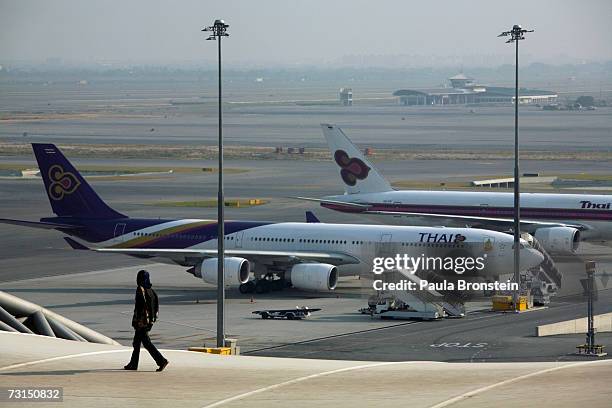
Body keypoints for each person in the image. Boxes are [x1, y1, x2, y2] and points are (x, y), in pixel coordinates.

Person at [124, 270, 169, 372]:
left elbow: (139, 307)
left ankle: (161, 361)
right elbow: (155, 307)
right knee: (137, 343)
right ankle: (133, 363)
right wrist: (151, 321)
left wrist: (137, 322)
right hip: (149, 322)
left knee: (146, 343)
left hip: (142, 322)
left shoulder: (141, 290)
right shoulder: (152, 291)